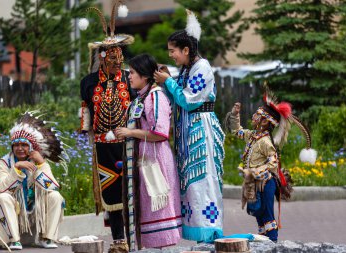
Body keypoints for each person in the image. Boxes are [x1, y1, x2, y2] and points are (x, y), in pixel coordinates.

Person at [154, 10, 226, 242]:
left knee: (203, 182)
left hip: (201, 133)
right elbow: (178, 95)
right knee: (192, 187)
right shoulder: (187, 69)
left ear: (186, 50)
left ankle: (210, 234)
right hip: (189, 133)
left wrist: (169, 82)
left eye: (173, 51)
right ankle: (200, 236)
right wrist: (168, 79)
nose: (172, 55)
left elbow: (188, 99)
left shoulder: (203, 68)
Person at [79, 2, 136, 252]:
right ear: (102, 57)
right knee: (112, 194)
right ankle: (119, 241)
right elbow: (86, 111)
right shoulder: (89, 82)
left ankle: (137, 239)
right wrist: (85, 130)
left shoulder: (129, 78)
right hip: (103, 145)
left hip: (129, 142)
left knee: (131, 191)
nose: (117, 61)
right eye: (112, 57)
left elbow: (139, 108)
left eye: (119, 57)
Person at [225, 88, 316, 242]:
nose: (253, 117)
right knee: (259, 215)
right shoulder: (253, 136)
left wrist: (256, 172)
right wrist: (235, 114)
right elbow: (237, 131)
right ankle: (263, 243)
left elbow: (273, 162)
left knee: (267, 215)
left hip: (266, 183)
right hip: (255, 183)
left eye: (257, 115)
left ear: (265, 121)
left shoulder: (266, 142)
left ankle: (272, 244)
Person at [115, 54, 181, 251]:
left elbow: (160, 133)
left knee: (157, 205)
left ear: (145, 76)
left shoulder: (156, 96)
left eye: (133, 73)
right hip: (144, 158)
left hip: (155, 160)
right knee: (147, 206)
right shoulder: (142, 97)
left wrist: (131, 132)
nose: (129, 77)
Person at [0, 112, 65, 250]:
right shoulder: (4, 163)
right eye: (16, 145)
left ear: (31, 147)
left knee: (55, 197)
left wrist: (41, 164)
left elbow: (51, 187)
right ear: (12, 147)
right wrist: (16, 169)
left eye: (24, 144)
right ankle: (14, 240)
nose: (20, 148)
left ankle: (47, 238)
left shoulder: (38, 161)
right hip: (14, 212)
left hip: (34, 212)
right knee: (3, 197)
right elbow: (3, 189)